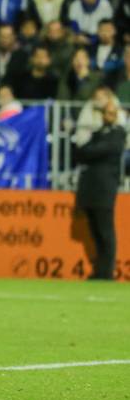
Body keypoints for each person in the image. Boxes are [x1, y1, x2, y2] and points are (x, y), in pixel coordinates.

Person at [75, 99, 126, 280]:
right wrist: (90, 151)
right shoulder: (98, 133)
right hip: (90, 188)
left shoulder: (118, 133)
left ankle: (107, 272)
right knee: (95, 231)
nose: (108, 116)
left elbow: (99, 150)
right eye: (106, 113)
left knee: (106, 231)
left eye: (112, 113)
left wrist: (90, 151)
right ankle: (100, 271)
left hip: (105, 189)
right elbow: (81, 153)